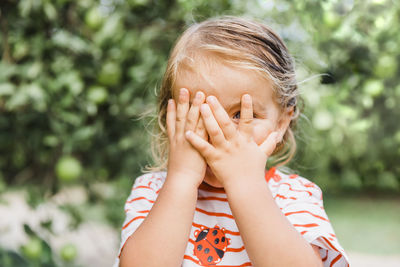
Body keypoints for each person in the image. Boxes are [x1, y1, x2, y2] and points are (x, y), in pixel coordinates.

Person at [114, 16, 350, 267]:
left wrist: (245, 183)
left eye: (241, 114)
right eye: (201, 112)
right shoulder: (154, 190)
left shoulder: (294, 196)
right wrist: (181, 180)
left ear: (281, 122)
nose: (219, 131)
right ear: (172, 118)